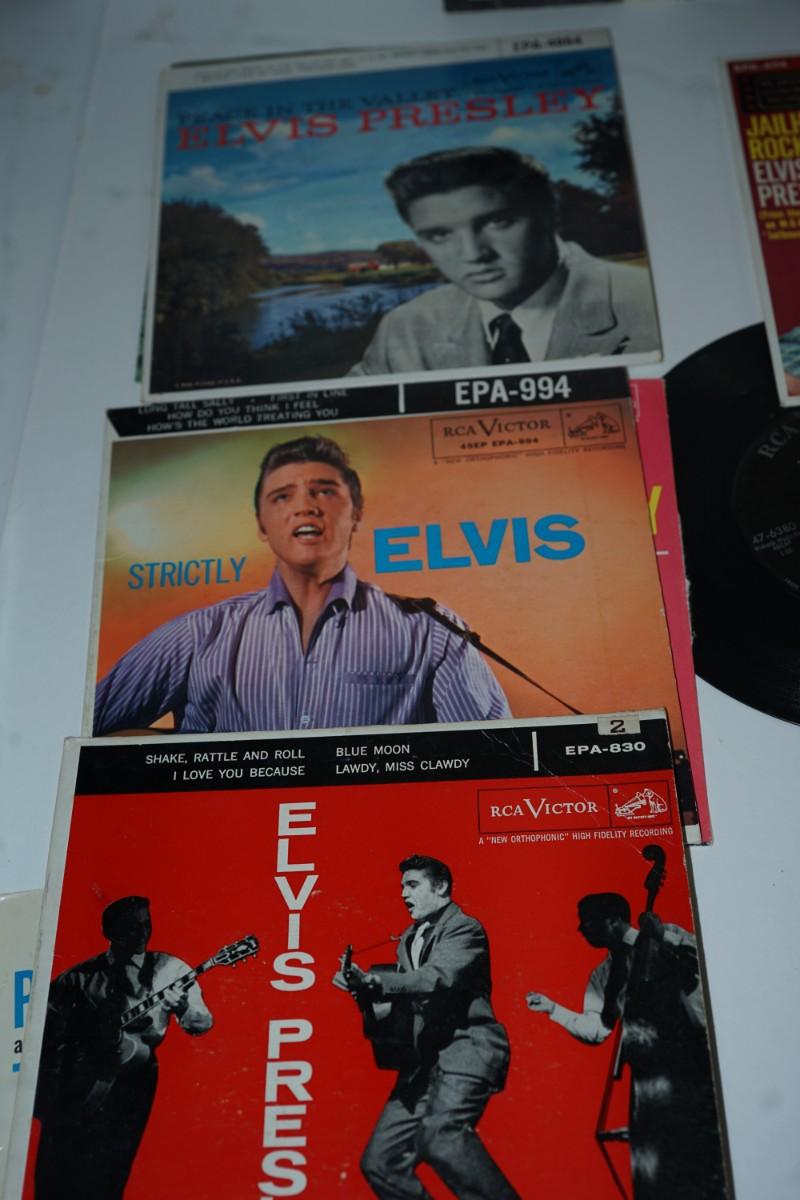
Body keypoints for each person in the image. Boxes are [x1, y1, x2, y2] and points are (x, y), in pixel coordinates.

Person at [93, 435, 510, 734]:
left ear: (356, 512)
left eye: (324, 492)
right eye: (282, 497)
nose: (305, 507)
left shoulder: (431, 632)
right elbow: (85, 732)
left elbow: (496, 756)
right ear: (262, 524)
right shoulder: (198, 635)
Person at [349, 146, 659, 375]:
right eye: (439, 235)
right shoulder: (406, 327)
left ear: (549, 213)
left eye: (497, 222)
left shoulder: (647, 303)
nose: (473, 254)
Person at [336, 854, 519, 1200]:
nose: (403, 894)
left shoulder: (464, 928)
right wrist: (362, 992)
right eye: (402, 887)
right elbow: (401, 1010)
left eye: (412, 885)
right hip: (422, 1065)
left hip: (465, 1051)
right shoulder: (408, 939)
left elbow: (437, 977)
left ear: (441, 887)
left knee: (441, 1137)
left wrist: (377, 980)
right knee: (380, 1162)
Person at [526, 892, 727, 1200]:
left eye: (586, 921)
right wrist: (554, 1009)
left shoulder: (668, 933)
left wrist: (660, 938)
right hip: (649, 1083)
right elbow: (597, 1029)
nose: (581, 928)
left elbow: (705, 970)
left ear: (613, 920)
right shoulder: (603, 974)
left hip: (700, 1064)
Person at [34, 896, 213, 1199]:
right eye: (131, 928)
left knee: (108, 1173)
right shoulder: (76, 980)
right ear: (110, 932)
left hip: (132, 1080)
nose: (142, 934)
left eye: (146, 925)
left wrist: (183, 1006)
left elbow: (201, 1022)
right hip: (76, 1083)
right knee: (57, 1171)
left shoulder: (170, 970)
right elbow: (41, 1037)